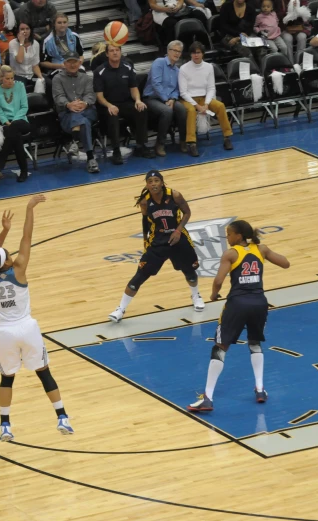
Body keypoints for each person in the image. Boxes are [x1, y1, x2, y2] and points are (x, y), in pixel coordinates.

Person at [0, 194, 74, 442]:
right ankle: (62, 417)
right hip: (26, 328)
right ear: (8, 262)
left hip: (4, 332)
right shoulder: (20, 269)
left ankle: (5, 425)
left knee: (6, 378)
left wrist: (3, 232)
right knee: (44, 372)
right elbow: (27, 237)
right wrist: (29, 209)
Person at [187, 219, 289, 412]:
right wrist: (264, 253)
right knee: (254, 342)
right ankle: (260, 389)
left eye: (229, 233)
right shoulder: (261, 249)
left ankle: (207, 397)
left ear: (238, 235)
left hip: (238, 304)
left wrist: (214, 294)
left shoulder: (231, 254)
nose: (227, 237)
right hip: (260, 303)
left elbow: (218, 280)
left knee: (220, 346)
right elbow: (285, 263)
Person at [108, 170, 203, 323]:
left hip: (178, 238)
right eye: (150, 181)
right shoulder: (145, 202)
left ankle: (196, 295)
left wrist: (178, 231)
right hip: (157, 241)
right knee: (139, 276)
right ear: (147, 184)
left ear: (162, 182)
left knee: (190, 272)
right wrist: (146, 242)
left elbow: (187, 213)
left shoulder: (175, 195)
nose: (153, 184)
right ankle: (120, 309)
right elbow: (145, 223)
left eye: (156, 180)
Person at [94, 44, 155, 165]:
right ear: (107, 54)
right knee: (112, 115)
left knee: (141, 109)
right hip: (107, 105)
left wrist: (137, 100)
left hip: (125, 102)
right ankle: (116, 150)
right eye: (112, 51)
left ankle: (141, 145)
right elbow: (99, 96)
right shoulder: (100, 71)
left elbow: (134, 88)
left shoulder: (127, 67)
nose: (115, 53)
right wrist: (109, 105)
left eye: (117, 50)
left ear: (121, 52)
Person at [178, 42, 233, 157]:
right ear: (190, 54)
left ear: (203, 54)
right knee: (191, 111)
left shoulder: (209, 67)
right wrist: (197, 106)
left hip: (204, 98)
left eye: (198, 53)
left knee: (220, 106)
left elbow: (211, 87)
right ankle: (191, 143)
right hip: (188, 99)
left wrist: (207, 103)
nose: (196, 55)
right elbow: (183, 92)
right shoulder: (183, 69)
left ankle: (227, 137)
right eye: (193, 53)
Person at [52, 51, 99, 174]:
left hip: (87, 110)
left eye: (75, 62)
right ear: (64, 63)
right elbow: (58, 97)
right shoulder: (57, 79)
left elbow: (90, 95)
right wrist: (68, 104)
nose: (72, 65)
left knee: (79, 115)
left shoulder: (86, 78)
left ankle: (74, 141)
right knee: (83, 122)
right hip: (67, 114)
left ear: (79, 63)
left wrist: (84, 103)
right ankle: (90, 158)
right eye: (69, 62)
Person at [144, 41, 187, 157]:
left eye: (179, 52)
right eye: (175, 51)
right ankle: (160, 143)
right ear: (168, 51)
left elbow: (177, 89)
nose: (177, 54)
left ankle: (183, 140)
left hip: (168, 99)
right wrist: (165, 99)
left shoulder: (178, 70)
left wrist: (172, 99)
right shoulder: (159, 63)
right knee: (167, 111)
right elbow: (155, 83)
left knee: (182, 109)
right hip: (152, 98)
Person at [0, 66, 30, 181]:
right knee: (15, 136)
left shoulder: (20, 86)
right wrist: (7, 122)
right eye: (7, 78)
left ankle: (1, 163)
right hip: (6, 123)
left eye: (12, 78)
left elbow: (24, 107)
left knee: (14, 128)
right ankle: (24, 170)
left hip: (21, 120)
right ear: (1, 78)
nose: (10, 81)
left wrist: (14, 121)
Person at [9, 21, 42, 89]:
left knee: (46, 83)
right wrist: (21, 42)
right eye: (22, 29)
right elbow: (19, 60)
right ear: (18, 31)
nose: (25, 31)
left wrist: (41, 77)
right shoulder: (12, 43)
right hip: (17, 75)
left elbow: (35, 65)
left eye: (27, 29)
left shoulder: (35, 44)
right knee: (21, 87)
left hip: (31, 75)